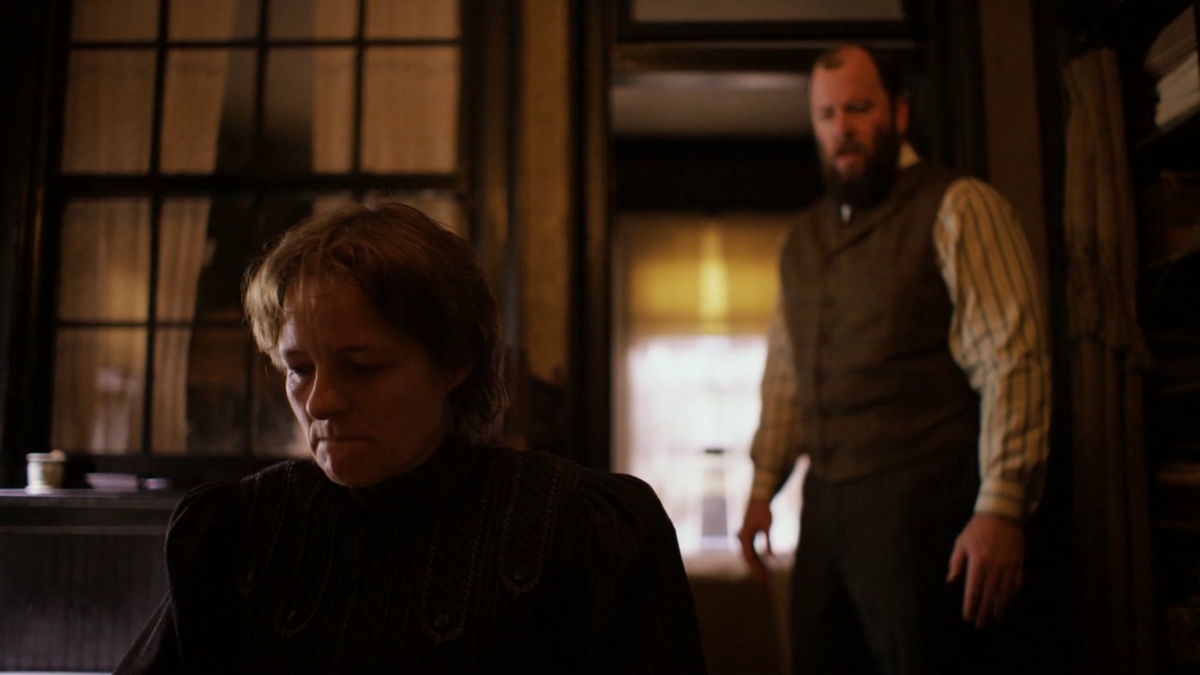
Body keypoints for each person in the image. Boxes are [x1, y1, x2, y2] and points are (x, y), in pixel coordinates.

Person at [115, 202, 708, 673]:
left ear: (456, 361)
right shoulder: (246, 529)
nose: (319, 402)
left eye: (363, 367)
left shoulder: (579, 527)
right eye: (299, 369)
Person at [737, 44, 1051, 674]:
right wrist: (763, 486)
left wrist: (1002, 505)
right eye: (827, 115)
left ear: (899, 113)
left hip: (926, 503)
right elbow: (786, 376)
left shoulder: (959, 205)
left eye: (858, 108)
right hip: (824, 509)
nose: (842, 128)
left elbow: (1012, 361)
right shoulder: (801, 240)